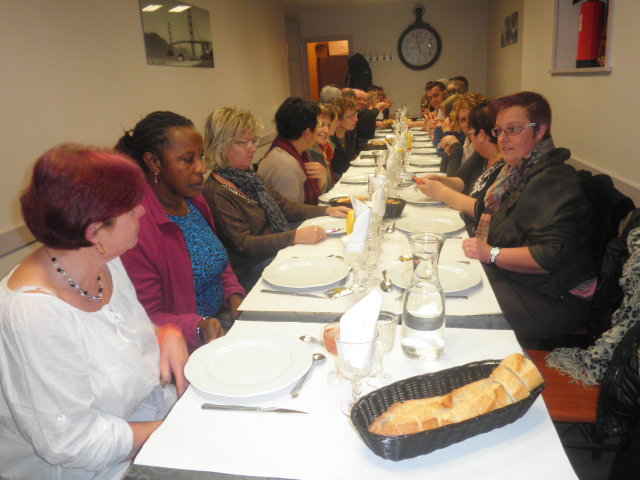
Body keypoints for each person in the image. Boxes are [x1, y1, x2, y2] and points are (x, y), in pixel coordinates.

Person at [0, 144, 185, 479]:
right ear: (94, 232)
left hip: (149, 424)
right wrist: (177, 430)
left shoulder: (102, 260)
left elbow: (114, 340)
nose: (142, 212)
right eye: (131, 208)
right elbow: (71, 442)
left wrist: (166, 334)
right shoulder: (35, 313)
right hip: (92, 468)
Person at [462, 91, 596, 343]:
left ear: (540, 130)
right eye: (499, 130)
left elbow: (551, 255)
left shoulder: (553, 179)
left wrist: (490, 254)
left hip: (555, 298)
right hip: (525, 281)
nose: (503, 138)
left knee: (461, 315)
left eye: (513, 129)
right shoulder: (517, 172)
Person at [117, 111, 245, 350]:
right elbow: (146, 317)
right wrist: (199, 326)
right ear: (154, 162)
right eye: (188, 159)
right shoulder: (138, 226)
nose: (202, 168)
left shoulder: (194, 201)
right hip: (184, 344)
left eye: (201, 157)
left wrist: (234, 295)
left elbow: (217, 259)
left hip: (221, 319)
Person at [202, 107, 350, 290]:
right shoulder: (217, 191)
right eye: (244, 142)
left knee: (334, 251)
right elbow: (244, 245)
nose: (254, 148)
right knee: (323, 266)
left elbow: (283, 206)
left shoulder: (246, 176)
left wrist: (326, 210)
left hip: (274, 252)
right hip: (251, 270)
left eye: (253, 140)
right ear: (221, 145)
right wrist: (294, 236)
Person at [416, 102, 504, 235]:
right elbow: (461, 180)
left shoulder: (506, 165)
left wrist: (441, 191)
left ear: (481, 135)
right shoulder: (482, 154)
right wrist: (440, 180)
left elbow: (483, 209)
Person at [257, 97, 326, 204]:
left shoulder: (293, 152)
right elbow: (292, 215)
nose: (318, 131)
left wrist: (321, 180)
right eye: (318, 125)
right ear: (307, 133)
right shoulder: (285, 165)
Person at [439, 92, 490, 175]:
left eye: (471, 118)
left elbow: (455, 182)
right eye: (463, 120)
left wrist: (456, 148)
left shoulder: (484, 148)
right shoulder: (465, 142)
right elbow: (443, 171)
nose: (468, 124)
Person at [308, 103, 336, 192]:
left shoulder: (323, 148)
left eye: (328, 125)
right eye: (320, 124)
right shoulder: (308, 153)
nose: (327, 130)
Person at [330, 96, 358, 177]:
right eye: (351, 116)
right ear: (338, 119)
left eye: (355, 114)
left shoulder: (350, 132)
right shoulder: (329, 138)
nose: (356, 119)